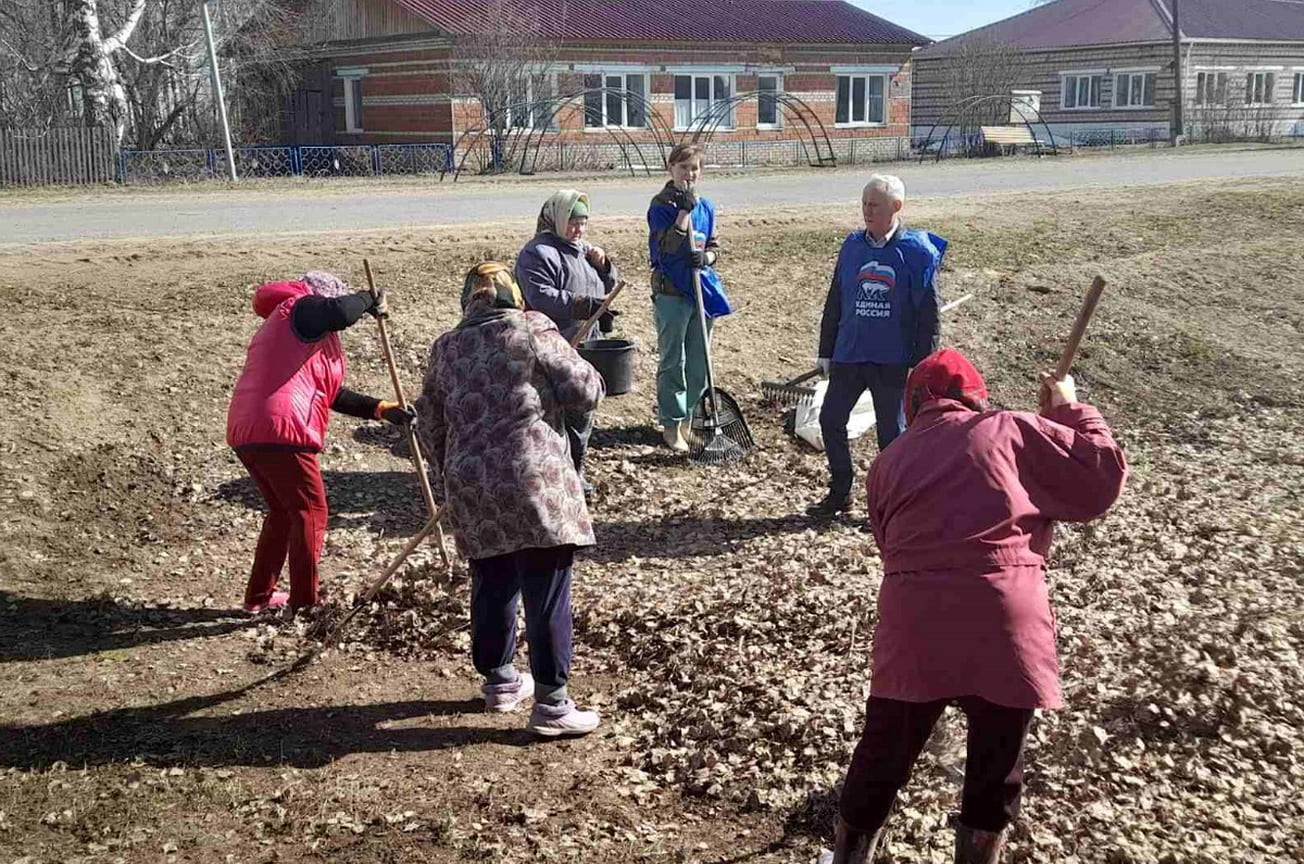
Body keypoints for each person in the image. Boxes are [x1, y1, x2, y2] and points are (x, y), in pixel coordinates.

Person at [826, 349, 1128, 864]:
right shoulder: (1012, 430)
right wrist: (1070, 409)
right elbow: (1098, 479)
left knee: (884, 751)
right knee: (996, 761)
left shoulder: (888, 460)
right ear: (974, 396)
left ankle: (850, 856)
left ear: (914, 402)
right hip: (1005, 622)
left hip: (915, 622)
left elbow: (887, 541)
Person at [415, 261, 604, 738]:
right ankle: (553, 705)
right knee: (547, 586)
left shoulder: (446, 347)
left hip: (472, 481)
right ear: (511, 295)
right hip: (531, 479)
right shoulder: (532, 326)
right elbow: (584, 393)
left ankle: (500, 680)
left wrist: (451, 471)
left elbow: (430, 424)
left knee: (493, 578)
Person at [226, 271, 411, 614]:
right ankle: (305, 603)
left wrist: (383, 410)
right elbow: (340, 313)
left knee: (283, 513)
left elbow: (332, 394)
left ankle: (259, 597)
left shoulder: (299, 335)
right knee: (311, 512)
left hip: (252, 429)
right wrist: (369, 298)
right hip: (280, 428)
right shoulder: (300, 307)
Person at [807, 174, 944, 518]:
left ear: (895, 207)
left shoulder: (915, 252)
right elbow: (836, 299)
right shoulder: (853, 246)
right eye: (864, 203)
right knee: (830, 419)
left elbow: (928, 313)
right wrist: (826, 349)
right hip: (850, 354)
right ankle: (841, 490)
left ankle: (893, 505)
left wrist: (922, 363)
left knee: (892, 437)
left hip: (892, 361)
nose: (867, 211)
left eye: (875, 205)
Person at [515, 190, 620, 498]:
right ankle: (550, 476)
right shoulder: (537, 253)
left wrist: (605, 268)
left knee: (582, 410)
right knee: (551, 416)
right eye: (573, 222)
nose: (579, 229)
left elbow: (608, 288)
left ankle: (575, 472)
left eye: (584, 222)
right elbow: (539, 296)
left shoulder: (585, 251)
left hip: (584, 346)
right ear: (558, 219)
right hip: (549, 346)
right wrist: (583, 305)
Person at [647, 143, 731, 452]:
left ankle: (688, 422)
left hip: (701, 292)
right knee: (674, 361)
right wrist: (683, 212)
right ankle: (671, 423)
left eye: (694, 168)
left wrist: (707, 258)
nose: (689, 173)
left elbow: (714, 244)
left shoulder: (706, 206)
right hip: (672, 292)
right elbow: (666, 248)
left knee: (699, 361)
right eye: (683, 167)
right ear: (671, 169)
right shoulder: (660, 206)